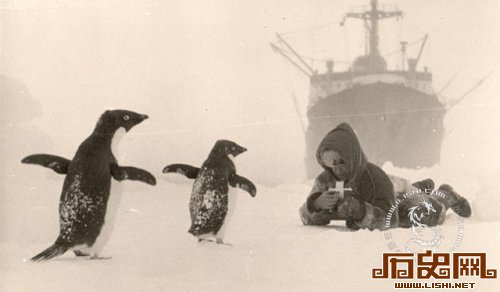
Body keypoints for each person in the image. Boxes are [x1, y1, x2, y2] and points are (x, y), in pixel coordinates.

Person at [299, 123, 472, 231]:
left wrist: (360, 211)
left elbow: (391, 221)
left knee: (430, 214)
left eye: (340, 161)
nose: (336, 168)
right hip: (392, 188)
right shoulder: (326, 180)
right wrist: (315, 204)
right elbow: (304, 214)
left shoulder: (374, 177)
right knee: (404, 188)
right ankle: (421, 186)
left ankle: (445, 194)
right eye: (330, 162)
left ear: (351, 156)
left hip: (397, 196)